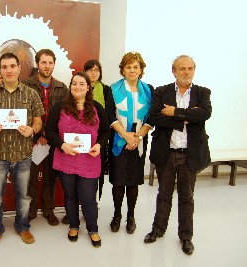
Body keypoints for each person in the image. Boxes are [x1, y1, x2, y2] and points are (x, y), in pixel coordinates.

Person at [144, 55, 212, 255]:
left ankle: (186, 237)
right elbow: (154, 117)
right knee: (163, 195)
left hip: (190, 155)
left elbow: (204, 114)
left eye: (190, 68)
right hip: (167, 153)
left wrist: (174, 112)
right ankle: (157, 230)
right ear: (173, 71)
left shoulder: (202, 92)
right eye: (182, 68)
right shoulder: (161, 91)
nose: (186, 72)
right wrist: (186, 116)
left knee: (186, 198)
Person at [0, 49, 69, 226]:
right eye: (44, 62)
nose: (47, 66)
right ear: (37, 64)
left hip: (53, 140)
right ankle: (32, 210)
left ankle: (49, 211)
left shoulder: (61, 87)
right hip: (31, 139)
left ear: (54, 65)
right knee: (30, 179)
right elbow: (25, 114)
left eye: (50, 63)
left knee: (51, 177)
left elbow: (65, 115)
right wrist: (39, 132)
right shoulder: (26, 85)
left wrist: (49, 135)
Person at [0, 53, 44, 249]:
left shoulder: (31, 94)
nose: (8, 70)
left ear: (18, 69)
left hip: (23, 154)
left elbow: (38, 120)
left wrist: (32, 129)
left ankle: (23, 226)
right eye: (4, 67)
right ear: (0, 70)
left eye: (12, 66)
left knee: (23, 196)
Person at [45, 72, 110, 247]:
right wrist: (62, 145)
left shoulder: (97, 107)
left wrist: (100, 145)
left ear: (88, 87)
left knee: (88, 198)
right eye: (74, 83)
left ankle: (93, 229)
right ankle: (73, 226)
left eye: (82, 84)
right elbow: (49, 131)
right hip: (66, 159)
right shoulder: (59, 107)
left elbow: (105, 131)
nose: (77, 87)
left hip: (89, 160)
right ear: (70, 86)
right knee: (70, 195)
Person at [106, 52, 153, 234]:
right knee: (118, 182)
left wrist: (137, 137)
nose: (132, 70)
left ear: (141, 69)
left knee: (133, 182)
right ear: (122, 70)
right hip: (119, 139)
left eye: (135, 67)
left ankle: (131, 216)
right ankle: (117, 215)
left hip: (139, 141)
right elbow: (110, 115)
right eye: (128, 67)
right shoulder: (113, 89)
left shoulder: (149, 89)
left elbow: (151, 117)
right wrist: (126, 136)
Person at [83, 59, 114, 200]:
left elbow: (109, 114)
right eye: (90, 70)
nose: (93, 73)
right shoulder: (79, 88)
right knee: (80, 171)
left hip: (99, 136)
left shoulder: (107, 90)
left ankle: (93, 201)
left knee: (97, 172)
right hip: (81, 136)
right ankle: (80, 204)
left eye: (97, 70)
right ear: (85, 72)